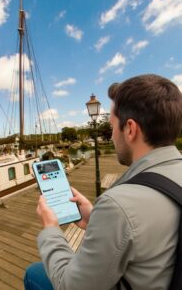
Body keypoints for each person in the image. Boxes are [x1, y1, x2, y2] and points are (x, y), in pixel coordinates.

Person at [24, 74, 182, 290]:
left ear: (130, 129)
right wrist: (95, 217)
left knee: (34, 273)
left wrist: (51, 229)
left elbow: (69, 286)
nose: (112, 136)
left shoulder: (119, 205)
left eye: (112, 126)